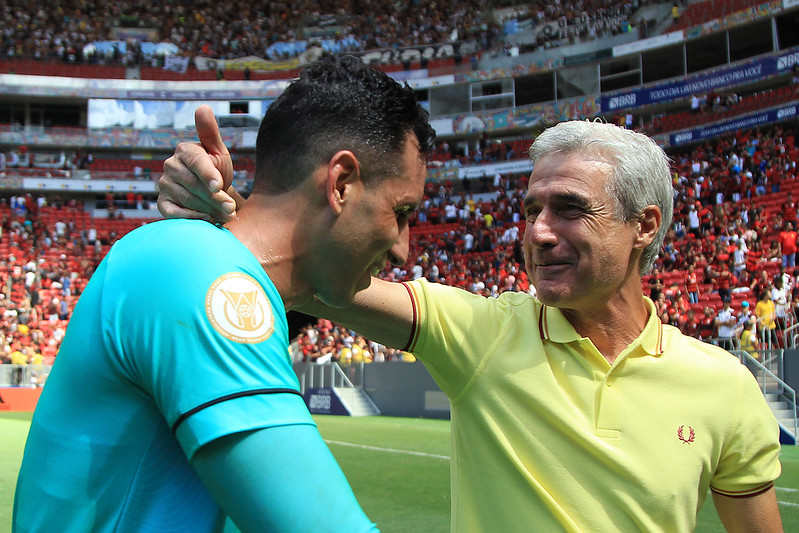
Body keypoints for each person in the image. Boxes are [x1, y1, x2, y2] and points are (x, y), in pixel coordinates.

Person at [159, 118, 783, 531]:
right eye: (532, 209)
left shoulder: (723, 388)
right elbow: (317, 277)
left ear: (643, 226)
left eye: (569, 209)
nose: (539, 232)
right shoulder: (484, 333)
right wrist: (230, 215)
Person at [14, 55, 435, 532]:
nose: (403, 249)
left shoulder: (209, 266)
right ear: (340, 184)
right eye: (401, 213)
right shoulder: (201, 271)